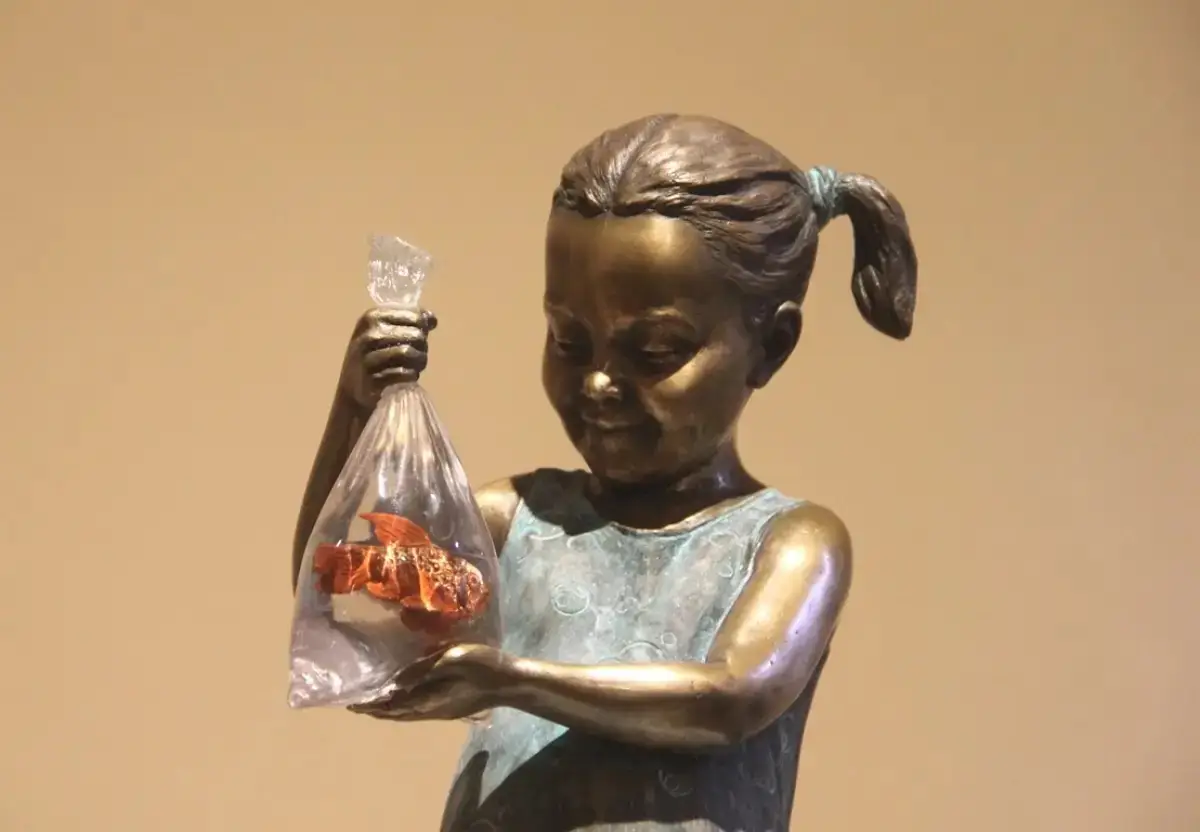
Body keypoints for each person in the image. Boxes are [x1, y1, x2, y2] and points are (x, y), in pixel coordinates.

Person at [292, 113, 918, 832]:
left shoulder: (792, 542)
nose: (597, 384)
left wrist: (512, 680)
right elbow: (331, 596)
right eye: (570, 341)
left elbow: (731, 697)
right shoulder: (518, 519)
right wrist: (355, 407)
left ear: (771, 345)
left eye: (654, 352)